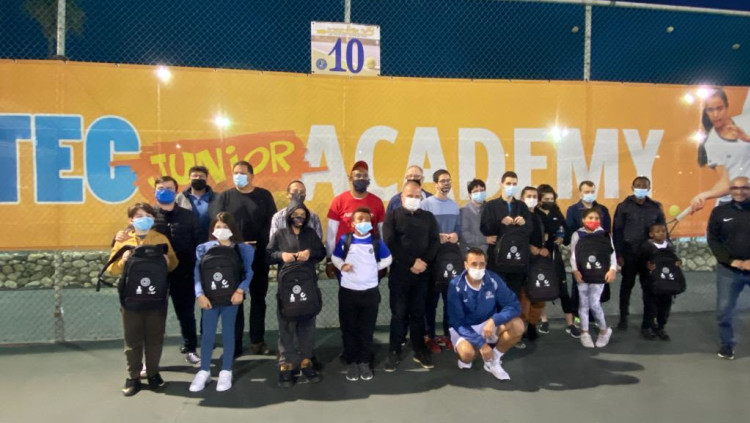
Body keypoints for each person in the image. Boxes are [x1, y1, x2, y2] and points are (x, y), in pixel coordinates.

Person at [107, 203, 178, 396]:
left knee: (155, 338)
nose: (143, 219)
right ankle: (133, 377)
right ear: (130, 220)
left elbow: (173, 264)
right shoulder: (123, 240)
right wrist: (123, 260)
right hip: (130, 299)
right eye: (138, 216)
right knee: (132, 340)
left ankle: (153, 374)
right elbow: (111, 269)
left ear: (153, 219)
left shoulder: (161, 239)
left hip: (156, 298)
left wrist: (168, 261)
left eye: (147, 215)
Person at [212, 161, 277, 356]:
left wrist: (259, 245)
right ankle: (235, 344)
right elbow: (218, 224)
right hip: (233, 257)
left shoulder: (264, 196)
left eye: (242, 172)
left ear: (252, 175)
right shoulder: (225, 197)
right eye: (235, 172)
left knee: (259, 299)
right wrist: (237, 244)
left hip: (259, 256)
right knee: (234, 300)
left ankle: (258, 341)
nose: (238, 176)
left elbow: (271, 224)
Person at [189, 213, 255, 392]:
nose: (221, 230)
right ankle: (204, 371)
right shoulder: (203, 248)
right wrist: (199, 294)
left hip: (231, 299)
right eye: (218, 227)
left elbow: (248, 272)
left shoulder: (244, 249)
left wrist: (240, 290)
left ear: (232, 229)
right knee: (207, 334)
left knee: (228, 333)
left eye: (225, 227)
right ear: (212, 229)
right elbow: (197, 273)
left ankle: (226, 370)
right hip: (209, 300)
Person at [383, 180, 440, 372]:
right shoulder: (392, 216)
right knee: (399, 314)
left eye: (418, 196)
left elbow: (434, 242)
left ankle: (419, 349)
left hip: (423, 273)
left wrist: (422, 262)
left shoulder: (428, 217)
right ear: (402, 197)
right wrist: (411, 263)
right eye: (410, 195)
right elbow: (390, 242)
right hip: (400, 273)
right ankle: (394, 350)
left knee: (418, 313)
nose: (414, 199)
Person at [267, 203, 327, 387]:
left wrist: (310, 253)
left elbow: (322, 252)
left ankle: (306, 362)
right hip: (286, 288)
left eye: (302, 214)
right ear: (289, 216)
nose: (299, 218)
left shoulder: (310, 234)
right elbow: (268, 255)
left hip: (308, 285)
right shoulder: (280, 234)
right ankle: (286, 365)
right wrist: (281, 255)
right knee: (286, 326)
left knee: (307, 325)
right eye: (295, 214)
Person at [331, 207, 392, 381]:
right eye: (360, 219)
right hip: (348, 292)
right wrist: (342, 266)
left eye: (367, 219)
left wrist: (373, 268)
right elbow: (335, 257)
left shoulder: (376, 242)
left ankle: (365, 362)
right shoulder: (345, 240)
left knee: (367, 329)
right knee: (349, 328)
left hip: (370, 292)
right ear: (352, 223)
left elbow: (388, 259)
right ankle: (352, 362)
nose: (364, 222)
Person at [149, 176, 204, 366]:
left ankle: (191, 349)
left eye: (169, 188)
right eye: (160, 188)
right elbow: (132, 235)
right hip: (156, 276)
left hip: (184, 273)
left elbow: (199, 243)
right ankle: (150, 358)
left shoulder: (188, 216)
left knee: (186, 314)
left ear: (176, 191)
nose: (164, 191)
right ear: (154, 191)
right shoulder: (148, 217)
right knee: (154, 317)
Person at [447, 248, 524, 380]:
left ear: (486, 265)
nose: (478, 268)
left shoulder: (493, 279)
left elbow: (514, 305)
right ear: (466, 265)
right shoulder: (456, 285)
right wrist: (481, 344)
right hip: (465, 326)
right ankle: (474, 353)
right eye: (474, 264)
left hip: (488, 324)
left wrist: (494, 320)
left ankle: (493, 360)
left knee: (518, 325)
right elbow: (457, 322)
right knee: (467, 355)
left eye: (481, 264)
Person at [480, 171, 534, 345]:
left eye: (514, 183)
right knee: (495, 296)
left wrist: (524, 223)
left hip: (517, 261)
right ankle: (493, 334)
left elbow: (530, 230)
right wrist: (500, 222)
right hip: (497, 261)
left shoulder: (522, 206)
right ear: (501, 184)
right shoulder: (492, 205)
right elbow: (485, 228)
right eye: (508, 183)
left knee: (513, 298)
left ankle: (512, 334)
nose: (511, 186)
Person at [613, 176, 666, 331]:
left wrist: (663, 254)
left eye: (644, 186)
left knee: (649, 288)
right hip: (629, 254)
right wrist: (618, 254)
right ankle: (623, 318)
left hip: (649, 255)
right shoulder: (623, 206)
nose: (641, 188)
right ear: (632, 187)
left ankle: (648, 322)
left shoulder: (655, 207)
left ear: (649, 188)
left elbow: (663, 231)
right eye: (638, 185)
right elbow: (617, 231)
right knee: (626, 287)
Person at [707, 176, 750, 360]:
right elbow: (713, 240)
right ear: (730, 190)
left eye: (744, 188)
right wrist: (731, 261)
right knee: (724, 310)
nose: (739, 191)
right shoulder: (719, 212)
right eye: (735, 188)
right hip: (729, 270)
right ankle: (727, 344)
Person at [421, 169, 462, 352]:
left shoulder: (454, 205)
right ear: (435, 184)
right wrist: (436, 237)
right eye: (443, 180)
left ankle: (448, 335)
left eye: (449, 180)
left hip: (449, 259)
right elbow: (422, 230)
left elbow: (458, 229)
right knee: (431, 301)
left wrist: (456, 235)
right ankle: (429, 336)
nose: (446, 183)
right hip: (432, 260)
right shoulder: (425, 204)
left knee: (449, 300)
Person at [691, 87, 750, 214]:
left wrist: (747, 138)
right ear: (706, 112)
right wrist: (705, 195)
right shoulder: (711, 143)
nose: (715, 114)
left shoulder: (746, 122)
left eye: (719, 108)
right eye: (710, 110)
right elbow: (725, 182)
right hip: (732, 202)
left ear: (727, 107)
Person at [325, 161, 386, 279]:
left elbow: (382, 232)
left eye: (365, 176)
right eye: (358, 175)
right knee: (346, 289)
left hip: (369, 256)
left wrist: (382, 258)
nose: (361, 178)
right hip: (344, 257)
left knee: (370, 288)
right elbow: (331, 234)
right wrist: (329, 259)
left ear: (368, 180)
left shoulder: (377, 202)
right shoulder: (339, 201)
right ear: (350, 178)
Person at [536, 184, 579, 338]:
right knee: (540, 288)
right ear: (539, 199)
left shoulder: (556, 211)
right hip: (539, 256)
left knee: (563, 290)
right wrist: (545, 237)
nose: (549, 201)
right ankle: (544, 320)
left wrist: (562, 238)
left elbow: (565, 231)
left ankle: (571, 323)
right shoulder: (534, 213)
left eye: (551, 199)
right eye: (546, 199)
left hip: (555, 254)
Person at [570, 208, 616, 349]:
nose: (593, 220)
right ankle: (585, 333)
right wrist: (575, 271)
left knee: (594, 303)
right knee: (583, 304)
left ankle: (604, 331)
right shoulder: (577, 235)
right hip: (583, 274)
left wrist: (612, 269)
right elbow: (573, 255)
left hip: (599, 274)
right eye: (590, 218)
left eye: (596, 218)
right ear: (583, 220)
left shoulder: (605, 235)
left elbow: (612, 254)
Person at [637, 222, 681, 341]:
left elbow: (674, 259)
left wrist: (678, 262)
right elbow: (639, 262)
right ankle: (647, 327)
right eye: (657, 231)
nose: (661, 233)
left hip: (667, 282)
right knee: (650, 306)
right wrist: (646, 266)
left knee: (665, 307)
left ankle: (660, 327)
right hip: (650, 283)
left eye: (663, 231)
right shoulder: (646, 246)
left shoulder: (669, 245)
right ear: (651, 234)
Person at [519, 186, 546, 344]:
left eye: (535, 196)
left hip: (539, 260)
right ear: (522, 198)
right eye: (529, 196)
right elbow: (516, 237)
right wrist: (529, 247)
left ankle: (533, 325)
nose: (532, 199)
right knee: (525, 296)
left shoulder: (539, 216)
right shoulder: (519, 215)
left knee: (539, 294)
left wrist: (544, 248)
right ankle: (521, 328)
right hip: (524, 260)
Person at [175, 165, 217, 238]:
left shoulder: (217, 197)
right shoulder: (180, 197)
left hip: (210, 239)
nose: (198, 178)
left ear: (206, 179)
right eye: (195, 176)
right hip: (186, 239)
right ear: (189, 179)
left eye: (201, 176)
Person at [459, 178, 494, 255]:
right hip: (470, 252)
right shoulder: (464, 211)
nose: (479, 193)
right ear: (470, 194)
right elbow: (464, 233)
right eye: (475, 191)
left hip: (488, 252)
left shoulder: (490, 208)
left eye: (482, 190)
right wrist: (484, 239)